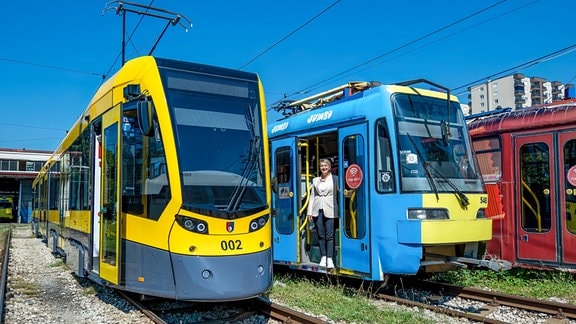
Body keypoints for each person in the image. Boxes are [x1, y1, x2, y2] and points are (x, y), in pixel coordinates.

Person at [307, 158, 338, 269]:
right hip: (317, 210)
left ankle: (330, 259)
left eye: (325, 166)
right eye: (321, 166)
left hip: (330, 209)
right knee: (321, 235)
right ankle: (323, 256)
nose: (323, 168)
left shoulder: (335, 179)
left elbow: (341, 192)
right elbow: (312, 197)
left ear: (329, 167)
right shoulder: (315, 180)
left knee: (330, 235)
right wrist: (309, 212)